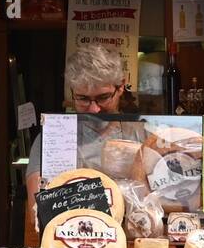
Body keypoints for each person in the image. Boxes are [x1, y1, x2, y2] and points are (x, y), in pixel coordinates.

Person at [23, 44, 137, 234]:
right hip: (69, 247)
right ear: (72, 91)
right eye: (83, 98)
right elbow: (37, 213)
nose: (94, 109)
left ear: (121, 87)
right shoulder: (51, 140)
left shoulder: (139, 135)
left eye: (103, 97)